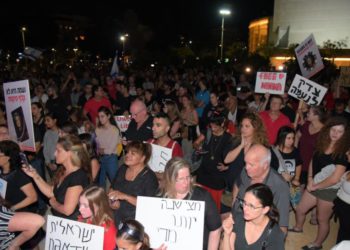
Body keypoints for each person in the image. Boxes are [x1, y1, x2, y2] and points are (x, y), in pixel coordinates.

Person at [290, 117, 350, 250]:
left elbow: (335, 178)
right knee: (300, 209)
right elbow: (313, 160)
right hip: (315, 183)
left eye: (340, 131)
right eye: (333, 129)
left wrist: (315, 186)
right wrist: (310, 179)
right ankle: (298, 227)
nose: (335, 133)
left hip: (330, 189)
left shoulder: (343, 153)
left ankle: (317, 244)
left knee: (322, 219)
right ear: (328, 130)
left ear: (345, 134)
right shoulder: (322, 142)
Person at [159, 157, 222, 250]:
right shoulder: (160, 196)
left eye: (188, 177)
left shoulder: (202, 197)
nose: (186, 182)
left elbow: (215, 229)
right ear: (170, 179)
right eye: (180, 179)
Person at [23, 135, 90, 220]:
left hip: (71, 224)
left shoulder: (77, 176)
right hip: (59, 220)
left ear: (69, 153)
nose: (54, 154)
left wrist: (53, 203)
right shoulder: (63, 170)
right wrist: (35, 175)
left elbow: (67, 210)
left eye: (58, 151)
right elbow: (51, 192)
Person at [232, 144, 290, 233]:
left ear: (265, 165)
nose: (246, 167)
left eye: (251, 164)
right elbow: (237, 185)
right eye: (245, 162)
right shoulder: (246, 171)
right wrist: (234, 205)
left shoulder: (280, 186)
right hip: (237, 222)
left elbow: (282, 226)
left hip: (257, 232)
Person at [221, 183, 285, 250]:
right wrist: (227, 234)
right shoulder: (237, 219)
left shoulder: (275, 235)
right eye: (244, 203)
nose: (245, 208)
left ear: (265, 210)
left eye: (251, 206)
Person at [108, 141, 158, 225]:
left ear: (143, 158)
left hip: (136, 223)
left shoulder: (149, 177)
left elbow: (150, 206)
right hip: (116, 218)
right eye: (127, 152)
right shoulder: (122, 169)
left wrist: (125, 196)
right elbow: (111, 189)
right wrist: (112, 201)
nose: (127, 155)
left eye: (133, 153)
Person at [194, 111, 233, 211]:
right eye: (211, 125)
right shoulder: (207, 132)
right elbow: (196, 143)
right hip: (203, 174)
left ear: (222, 124)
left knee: (214, 208)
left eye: (215, 126)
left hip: (217, 178)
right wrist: (198, 147)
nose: (213, 128)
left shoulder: (228, 138)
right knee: (199, 205)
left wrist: (227, 167)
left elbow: (235, 158)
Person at [0, 140, 37, 212]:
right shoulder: (1, 171)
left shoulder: (19, 174)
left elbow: (33, 197)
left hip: (19, 213)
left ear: (8, 158)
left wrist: (12, 209)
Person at [78, 186, 117, 250]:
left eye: (85, 205)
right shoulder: (82, 219)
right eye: (80, 204)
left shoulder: (108, 229)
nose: (80, 209)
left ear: (99, 206)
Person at [95, 106, 121, 188]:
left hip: (111, 158)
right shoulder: (98, 129)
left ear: (109, 116)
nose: (100, 119)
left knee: (114, 183)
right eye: (99, 117)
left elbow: (110, 150)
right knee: (100, 183)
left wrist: (101, 150)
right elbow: (96, 146)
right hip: (101, 159)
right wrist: (100, 150)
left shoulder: (114, 130)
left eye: (102, 116)